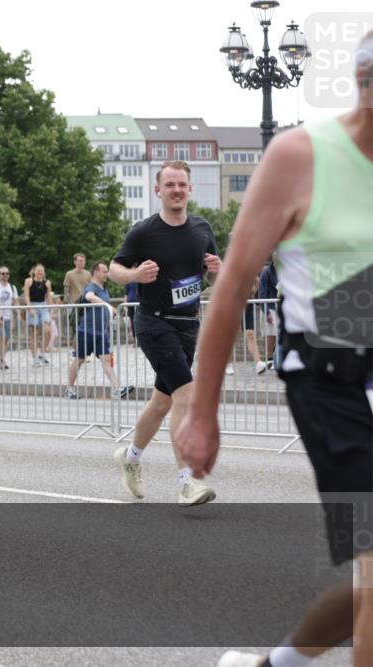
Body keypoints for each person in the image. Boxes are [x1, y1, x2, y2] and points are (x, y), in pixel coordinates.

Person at [177, 32, 373, 667]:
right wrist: (203, 414)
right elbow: (232, 287)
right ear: (365, 88)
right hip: (330, 380)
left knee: (365, 580)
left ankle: (276, 665)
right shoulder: (300, 156)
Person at [108, 159, 222, 506]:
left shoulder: (202, 229)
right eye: (169, 185)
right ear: (158, 190)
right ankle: (188, 481)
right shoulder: (145, 231)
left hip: (188, 325)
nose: (175, 190)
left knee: (162, 402)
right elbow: (114, 269)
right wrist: (134, 276)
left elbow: (213, 277)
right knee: (186, 396)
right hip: (154, 323)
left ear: (190, 189)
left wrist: (217, 271)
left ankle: (129, 458)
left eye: (181, 185)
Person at [65, 262, 132, 399]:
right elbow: (89, 297)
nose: (107, 274)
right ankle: (69, 389)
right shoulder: (91, 287)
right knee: (79, 359)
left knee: (106, 360)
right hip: (86, 331)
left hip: (101, 332)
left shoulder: (104, 289)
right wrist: (107, 305)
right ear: (96, 272)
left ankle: (116, 389)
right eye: (104, 271)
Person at [24, 263, 53, 365]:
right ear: (34, 271)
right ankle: (34, 358)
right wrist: (29, 307)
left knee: (47, 330)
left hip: (43, 306)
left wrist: (51, 309)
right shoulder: (29, 281)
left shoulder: (47, 283)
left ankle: (42, 352)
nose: (40, 272)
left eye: (42, 270)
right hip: (33, 305)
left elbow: (48, 297)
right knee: (34, 332)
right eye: (38, 270)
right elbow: (26, 296)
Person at [0, 266, 18, 370]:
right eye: (2, 273)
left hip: (8, 316)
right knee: (0, 337)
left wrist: (20, 311)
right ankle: (2, 360)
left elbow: (15, 301)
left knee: (6, 338)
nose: (5, 275)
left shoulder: (12, 287)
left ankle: (2, 358)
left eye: (7, 273)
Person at [63, 252, 92, 345]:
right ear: (75, 262)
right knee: (76, 328)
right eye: (80, 261)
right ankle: (76, 351)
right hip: (75, 304)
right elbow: (66, 290)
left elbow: (91, 288)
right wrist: (70, 302)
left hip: (86, 304)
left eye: (83, 261)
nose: (82, 263)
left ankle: (83, 350)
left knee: (86, 327)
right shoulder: (69, 274)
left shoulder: (88, 274)